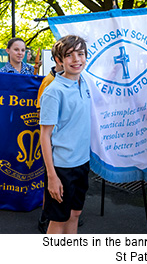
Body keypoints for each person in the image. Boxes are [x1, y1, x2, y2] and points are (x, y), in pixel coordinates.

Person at [39, 35, 91, 234]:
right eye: (69, 55)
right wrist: (52, 176)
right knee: (58, 220)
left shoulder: (83, 82)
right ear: (59, 61)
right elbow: (44, 136)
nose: (76, 59)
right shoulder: (54, 92)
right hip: (61, 168)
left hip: (82, 162)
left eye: (80, 54)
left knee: (74, 214)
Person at [36, 39, 63, 233]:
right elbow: (42, 112)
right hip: (54, 141)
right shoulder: (49, 82)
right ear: (57, 60)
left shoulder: (68, 78)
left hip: (65, 141)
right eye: (67, 56)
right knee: (51, 181)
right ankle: (46, 216)